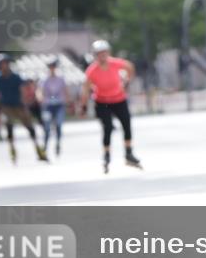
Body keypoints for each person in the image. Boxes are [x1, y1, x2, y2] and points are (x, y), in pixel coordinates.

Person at [80, 39, 142, 174]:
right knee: (107, 127)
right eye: (99, 54)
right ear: (95, 55)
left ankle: (128, 153)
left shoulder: (115, 63)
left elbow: (129, 66)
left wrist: (127, 81)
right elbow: (85, 88)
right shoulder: (92, 70)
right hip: (102, 102)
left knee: (126, 124)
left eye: (104, 53)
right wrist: (83, 106)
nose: (102, 56)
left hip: (119, 99)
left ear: (108, 53)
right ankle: (107, 155)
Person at [0, 53, 48, 164]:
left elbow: (23, 90)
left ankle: (38, 149)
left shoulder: (15, 77)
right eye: (2, 64)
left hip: (18, 105)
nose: (4, 66)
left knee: (30, 127)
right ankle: (12, 151)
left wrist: (25, 102)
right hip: (6, 106)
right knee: (9, 126)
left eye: (6, 63)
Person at [39, 57, 68, 157]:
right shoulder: (44, 79)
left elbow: (65, 90)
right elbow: (40, 91)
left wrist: (66, 101)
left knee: (58, 125)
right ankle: (45, 146)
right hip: (48, 105)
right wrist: (41, 98)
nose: (52, 69)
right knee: (47, 127)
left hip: (59, 104)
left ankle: (58, 143)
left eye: (53, 67)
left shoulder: (60, 78)